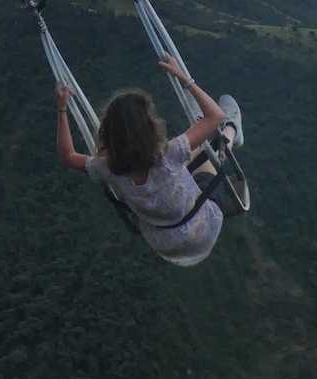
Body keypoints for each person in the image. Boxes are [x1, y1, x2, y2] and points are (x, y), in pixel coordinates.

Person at [55, 54, 242, 266]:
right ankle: (231, 131)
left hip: (164, 243)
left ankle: (201, 128)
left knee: (191, 152)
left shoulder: (107, 167)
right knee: (207, 150)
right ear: (150, 128)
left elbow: (68, 156)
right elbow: (215, 116)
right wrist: (183, 77)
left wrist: (62, 109)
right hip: (202, 230)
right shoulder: (169, 154)